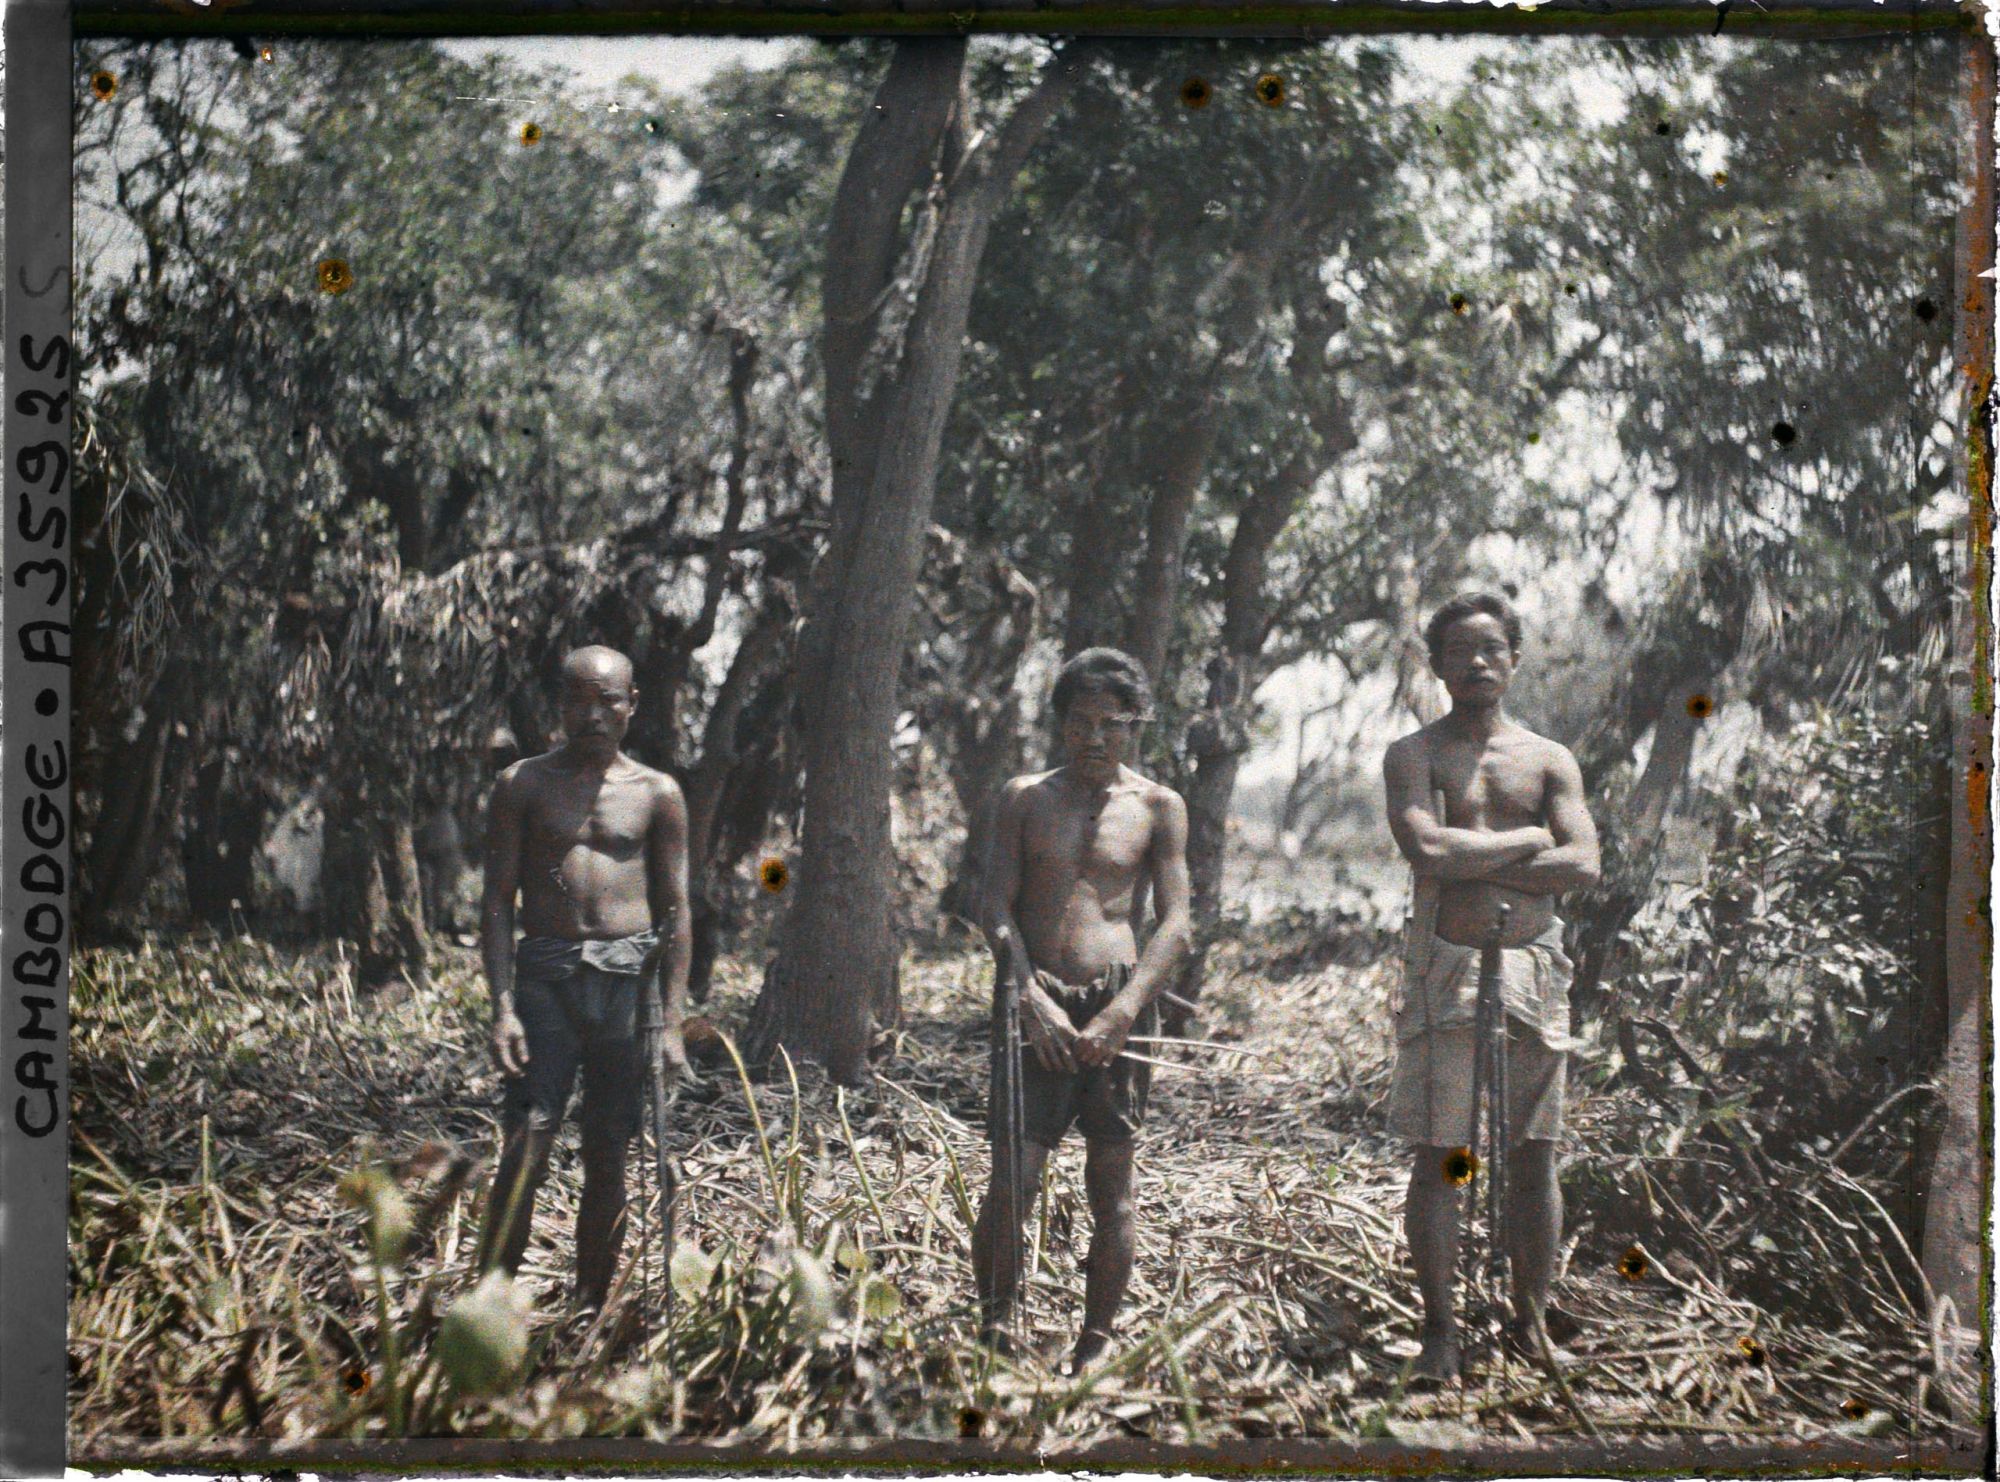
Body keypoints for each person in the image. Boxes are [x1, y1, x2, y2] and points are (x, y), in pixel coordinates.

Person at [1381, 592, 1601, 1383]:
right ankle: (1441, 1332)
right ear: (1436, 664)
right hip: (1446, 965)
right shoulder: (1415, 754)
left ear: (1513, 658)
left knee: (1534, 1154)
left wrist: (1475, 853)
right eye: (1460, 651)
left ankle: (1532, 1325)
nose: (1477, 663)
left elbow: (1584, 865)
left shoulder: (1548, 758)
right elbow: (1426, 849)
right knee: (1444, 1153)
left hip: (1536, 969)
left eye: (1492, 649)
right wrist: (1527, 840)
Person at [971, 647, 1193, 1373]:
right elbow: (994, 905)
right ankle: (996, 1334)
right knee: (1014, 1180)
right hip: (1033, 1002)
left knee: (1113, 1183)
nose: (1094, 738)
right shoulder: (1024, 797)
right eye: (1079, 723)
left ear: (1136, 726)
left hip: (1115, 1012)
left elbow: (1176, 923)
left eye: (1110, 723)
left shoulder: (1159, 807)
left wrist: (1124, 1010)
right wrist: (1027, 995)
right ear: (1060, 725)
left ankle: (1094, 1346)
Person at [473, 646, 693, 1312]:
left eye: (608, 701)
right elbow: (495, 903)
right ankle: (489, 1309)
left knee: (609, 1157)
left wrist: (674, 1023)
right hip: (546, 983)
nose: (593, 715)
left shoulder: (659, 794)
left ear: (632, 705)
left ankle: (590, 1308)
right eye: (579, 700)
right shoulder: (522, 786)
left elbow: (679, 910)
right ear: (559, 705)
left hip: (627, 990)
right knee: (527, 1147)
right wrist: (503, 1007)